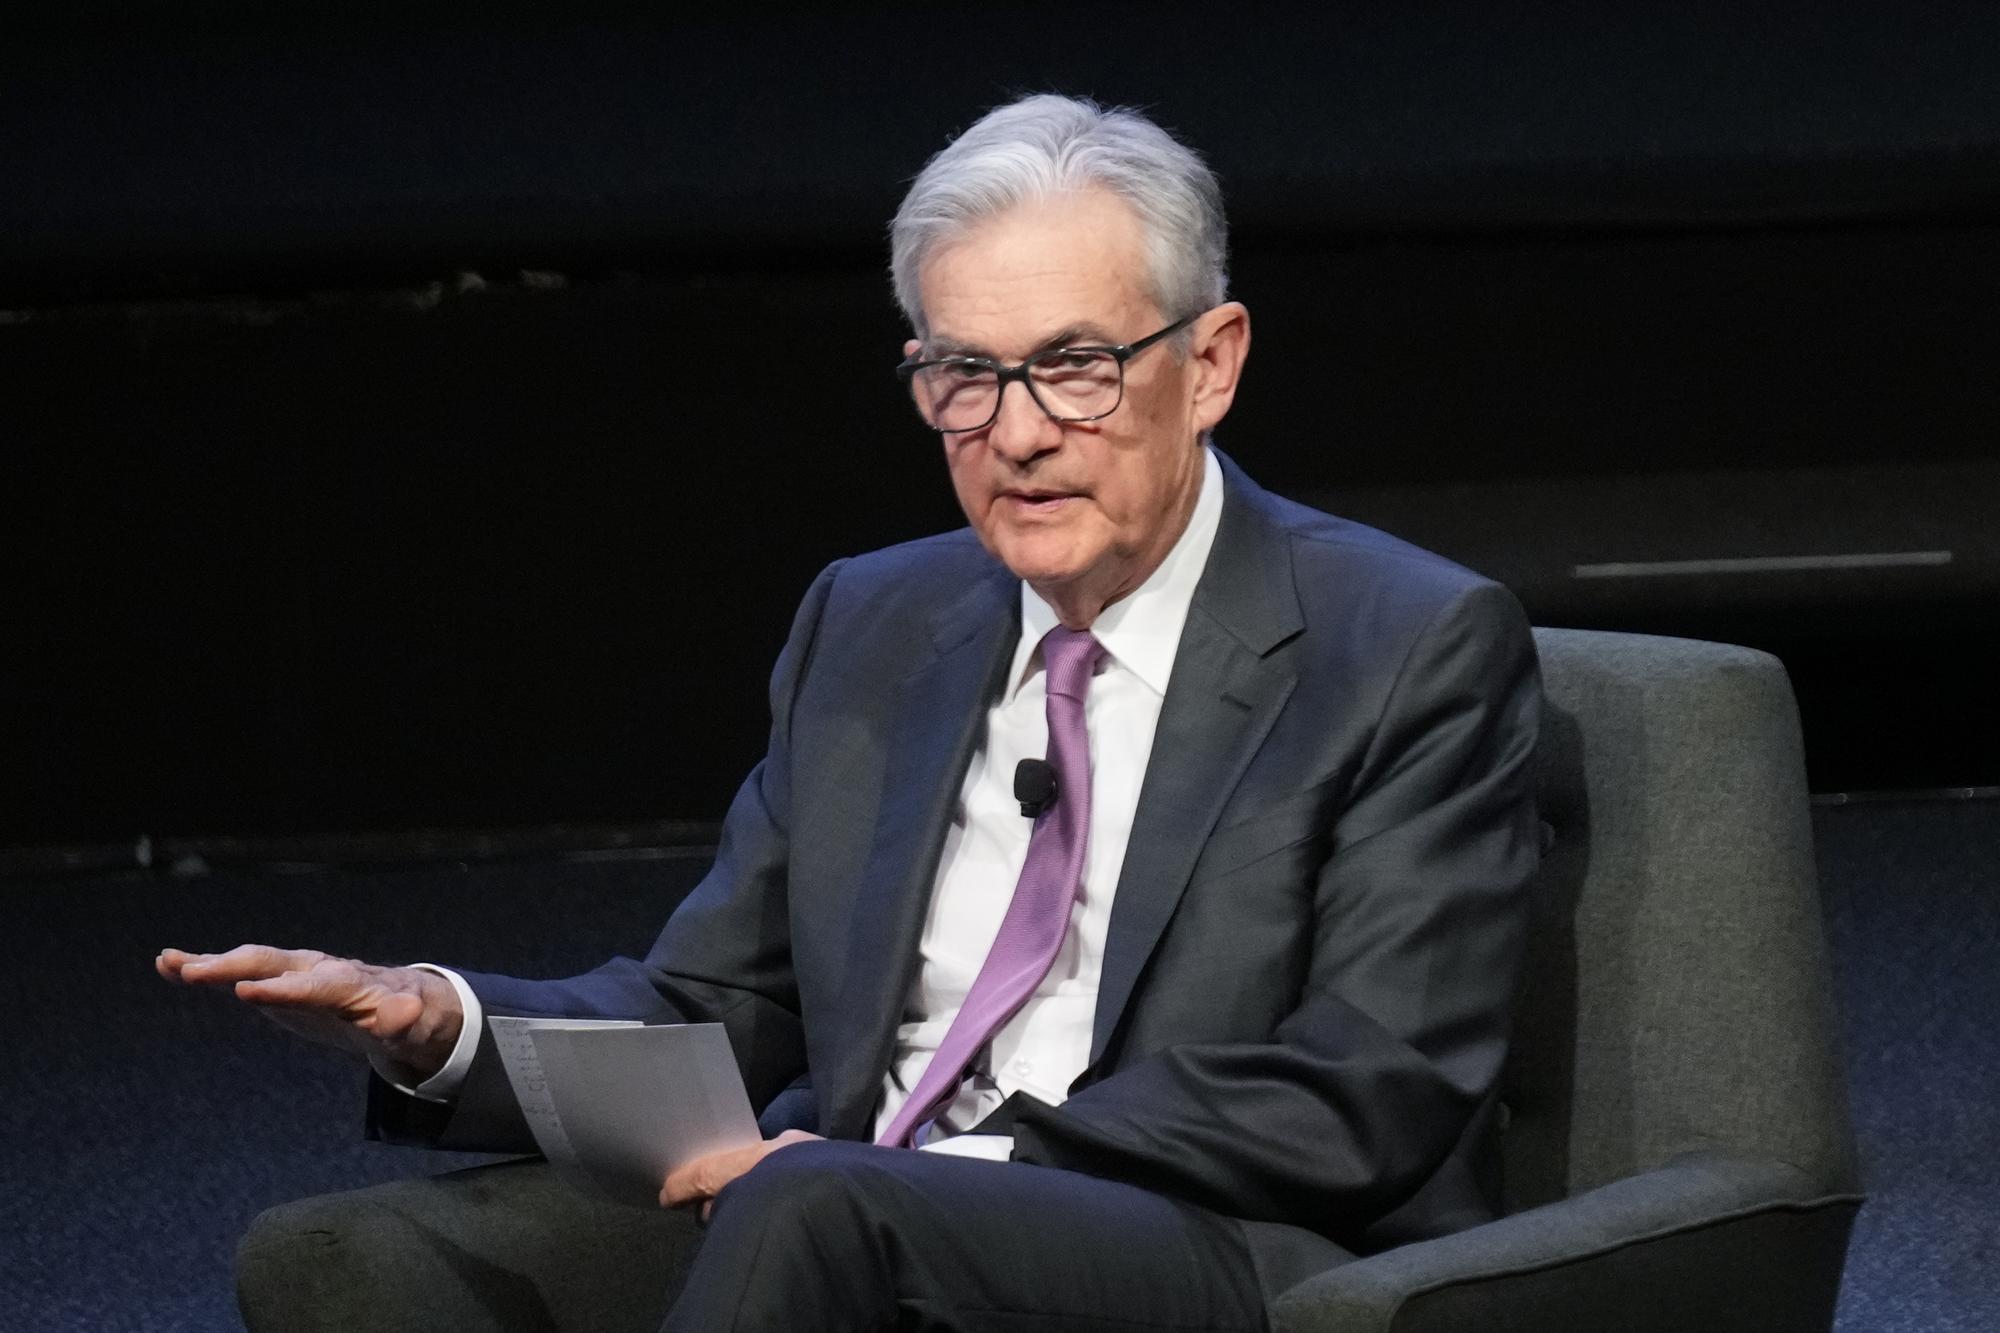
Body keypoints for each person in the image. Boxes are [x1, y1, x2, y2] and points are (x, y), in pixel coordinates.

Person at [159, 93, 1542, 1331]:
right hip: (842, 1215)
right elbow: (719, 1004)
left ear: (1213, 362)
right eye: (964, 376)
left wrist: (924, 1171)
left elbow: (1369, 1083)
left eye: (1074, 365)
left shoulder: (1403, 642)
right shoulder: (874, 621)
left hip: (1217, 1246)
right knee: (351, 1255)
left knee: (820, 1204)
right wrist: (438, 1018)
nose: (1014, 433)